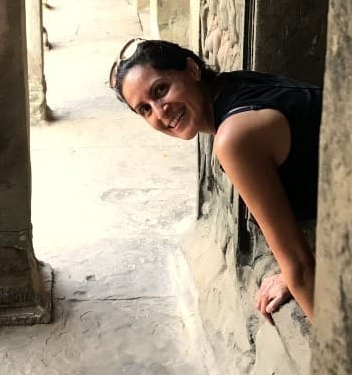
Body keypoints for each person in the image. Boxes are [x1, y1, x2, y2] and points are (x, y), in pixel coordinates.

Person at [109, 37, 321, 322]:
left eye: (161, 90)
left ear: (192, 70)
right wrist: (287, 271)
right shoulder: (235, 85)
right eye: (145, 109)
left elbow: (301, 269)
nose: (160, 112)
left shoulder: (235, 138)